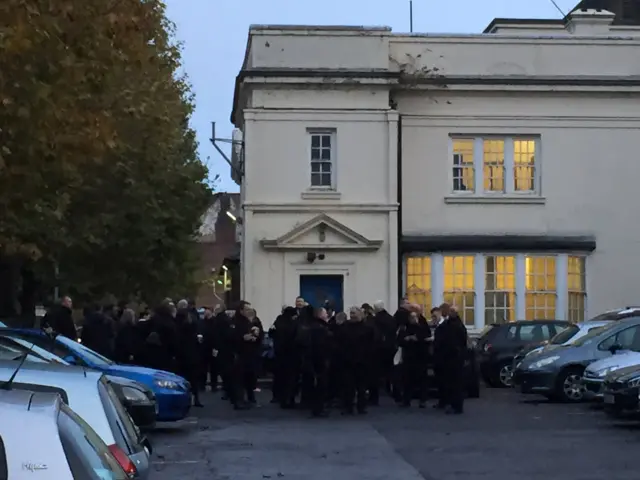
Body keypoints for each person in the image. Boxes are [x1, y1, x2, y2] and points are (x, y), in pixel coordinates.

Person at [338, 306, 375, 415]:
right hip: (347, 360)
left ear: (360, 314)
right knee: (348, 385)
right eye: (351, 313)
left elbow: (372, 344)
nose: (352, 315)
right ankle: (348, 406)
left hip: (363, 360)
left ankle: (361, 406)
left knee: (362, 386)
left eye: (354, 313)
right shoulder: (344, 327)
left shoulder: (368, 328)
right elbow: (339, 341)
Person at [435, 303, 468, 414]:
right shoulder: (455, 325)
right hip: (453, 357)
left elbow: (457, 341)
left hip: (454, 358)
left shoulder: (455, 326)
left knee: (455, 384)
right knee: (453, 383)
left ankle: (456, 406)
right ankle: (454, 405)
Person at [397, 308, 431, 408]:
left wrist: (417, 338)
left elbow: (426, 337)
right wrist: (407, 339)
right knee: (407, 380)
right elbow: (400, 340)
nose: (413, 319)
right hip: (409, 356)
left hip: (420, 356)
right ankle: (406, 400)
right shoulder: (404, 327)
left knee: (422, 380)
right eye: (411, 317)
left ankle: (423, 400)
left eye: (415, 317)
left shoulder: (423, 325)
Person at [229, 301, 260, 409]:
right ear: (241, 310)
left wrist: (255, 336)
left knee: (249, 377)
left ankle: (249, 399)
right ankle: (238, 401)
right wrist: (242, 338)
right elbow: (230, 337)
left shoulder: (249, 321)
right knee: (238, 379)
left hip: (249, 353)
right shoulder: (235, 322)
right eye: (246, 309)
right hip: (239, 354)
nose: (248, 312)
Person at [270, 306, 299, 408]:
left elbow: (271, 332)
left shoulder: (278, 321)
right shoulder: (293, 324)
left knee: (279, 377)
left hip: (279, 354)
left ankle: (278, 397)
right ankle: (288, 400)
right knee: (290, 379)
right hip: (290, 355)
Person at [176, 300, 204, 407]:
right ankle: (195, 398)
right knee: (193, 377)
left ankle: (185, 399)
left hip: (183, 353)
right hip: (191, 352)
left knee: (184, 377)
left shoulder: (178, 319)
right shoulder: (191, 319)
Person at [373, 300, 398, 397]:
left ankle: (381, 389)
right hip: (391, 347)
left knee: (379, 370)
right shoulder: (391, 318)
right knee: (390, 369)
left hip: (380, 348)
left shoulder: (376, 320)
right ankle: (390, 387)